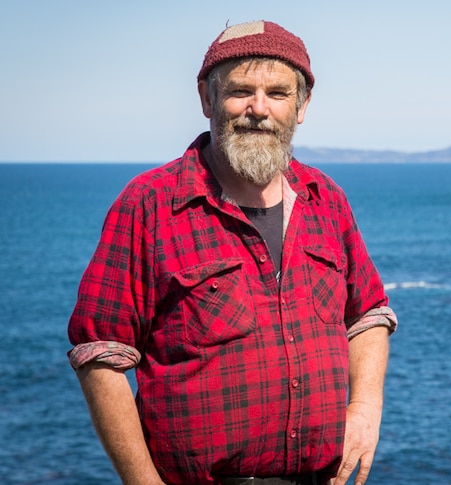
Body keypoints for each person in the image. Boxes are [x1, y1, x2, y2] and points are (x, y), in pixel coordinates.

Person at [67, 20, 396, 485]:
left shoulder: (327, 199)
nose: (258, 109)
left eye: (278, 94)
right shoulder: (150, 205)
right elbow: (101, 352)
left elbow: (369, 315)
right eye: (241, 90)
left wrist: (364, 410)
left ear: (302, 105)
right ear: (206, 98)